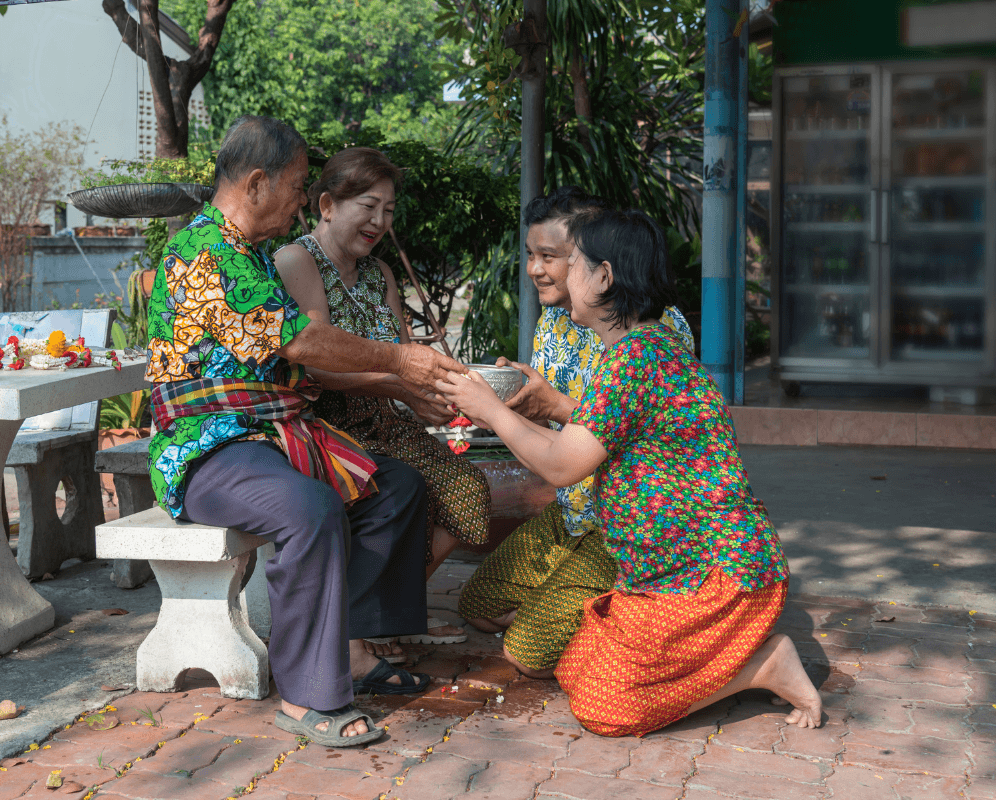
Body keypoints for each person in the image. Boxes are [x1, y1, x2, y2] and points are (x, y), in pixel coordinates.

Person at [437, 207, 822, 737]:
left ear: (604, 276)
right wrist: (506, 411)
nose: (554, 274)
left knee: (604, 708)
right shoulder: (636, 350)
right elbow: (573, 446)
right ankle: (708, 659)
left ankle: (761, 667)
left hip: (712, 576)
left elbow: (563, 466)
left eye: (570, 263)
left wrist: (491, 410)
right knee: (575, 668)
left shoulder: (636, 357)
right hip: (662, 576)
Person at [145, 116, 466, 747]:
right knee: (309, 509)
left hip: (273, 435)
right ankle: (308, 695)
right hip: (208, 447)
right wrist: (400, 362)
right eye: (296, 187)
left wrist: (401, 375)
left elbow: (299, 354)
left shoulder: (252, 254)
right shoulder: (205, 250)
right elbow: (301, 341)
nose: (299, 203)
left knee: (396, 487)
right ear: (259, 183)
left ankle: (351, 648)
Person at [456, 186, 695, 679]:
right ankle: (572, 613)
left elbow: (606, 434)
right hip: (571, 508)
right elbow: (563, 433)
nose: (535, 269)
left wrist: (524, 412)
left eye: (554, 256)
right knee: (477, 607)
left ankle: (613, 621)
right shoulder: (556, 321)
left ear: (600, 264)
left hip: (623, 525)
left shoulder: (650, 333)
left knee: (526, 656)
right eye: (530, 255)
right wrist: (512, 404)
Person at [274, 147, 491, 645]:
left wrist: (456, 390)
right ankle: (363, 630)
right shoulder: (297, 260)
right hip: (325, 427)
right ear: (327, 204)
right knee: (406, 491)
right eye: (368, 206)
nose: (379, 221)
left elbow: (405, 352)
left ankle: (383, 617)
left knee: (468, 495)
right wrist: (398, 384)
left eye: (388, 211)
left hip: (387, 424)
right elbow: (314, 363)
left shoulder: (380, 273)